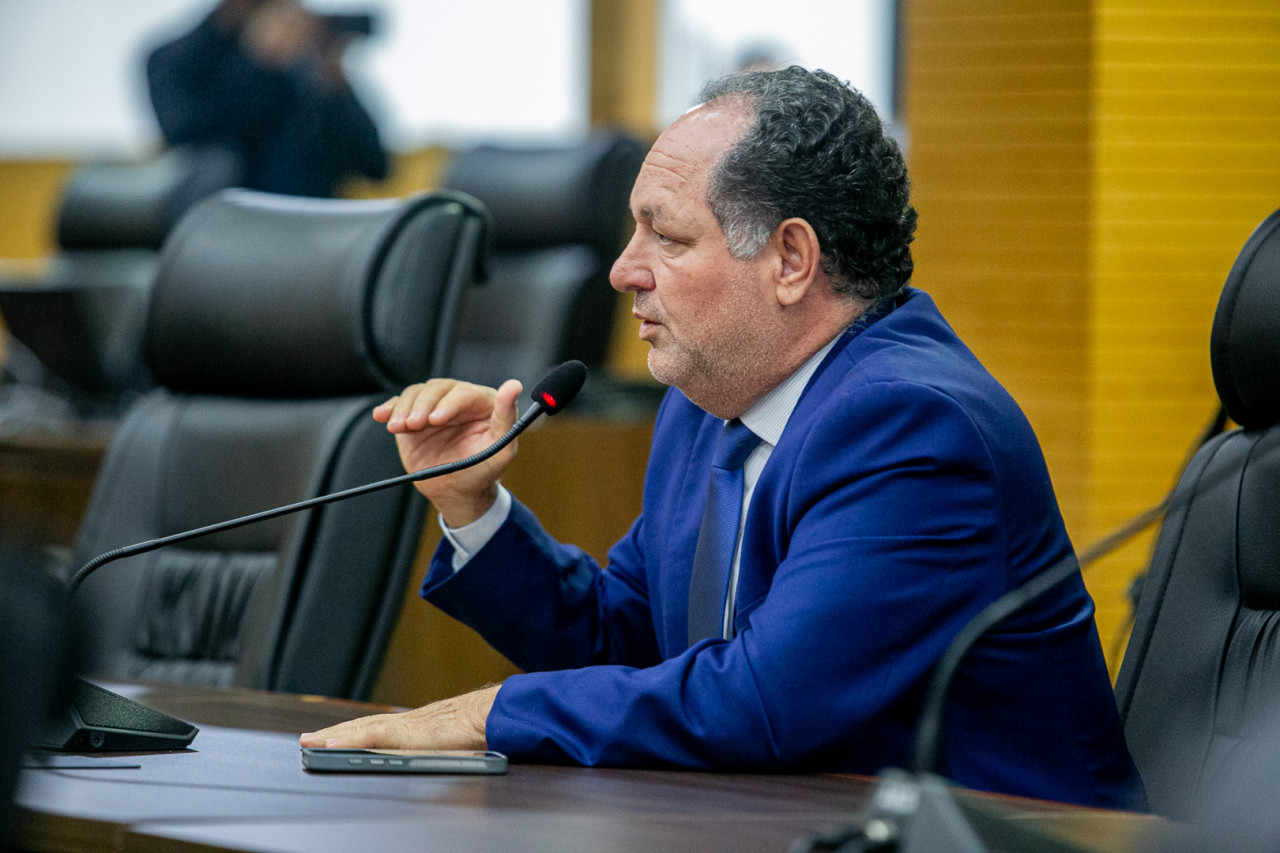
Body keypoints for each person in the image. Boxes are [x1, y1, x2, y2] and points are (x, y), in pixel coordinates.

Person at [300, 67, 1144, 809]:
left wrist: (493, 712)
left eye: (666, 236)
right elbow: (628, 643)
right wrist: (473, 505)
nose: (622, 269)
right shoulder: (709, 404)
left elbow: (765, 703)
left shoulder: (913, 427)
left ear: (790, 260)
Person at [146, 0, 389, 198]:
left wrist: (334, 86)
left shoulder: (304, 66)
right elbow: (187, 132)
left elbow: (375, 165)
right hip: (224, 221)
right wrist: (257, 62)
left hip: (312, 224)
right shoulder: (174, 60)